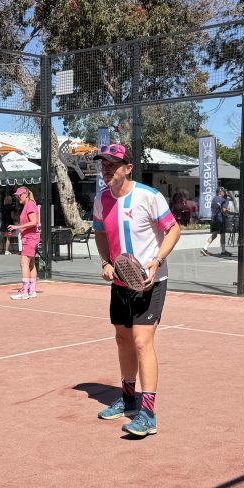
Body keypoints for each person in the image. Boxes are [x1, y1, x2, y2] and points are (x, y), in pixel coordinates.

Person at [93, 143, 180, 438]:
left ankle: (148, 413)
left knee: (142, 342)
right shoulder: (101, 199)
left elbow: (174, 229)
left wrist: (157, 261)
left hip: (150, 282)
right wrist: (105, 262)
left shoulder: (148, 196)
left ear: (128, 168)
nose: (106, 169)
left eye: (112, 164)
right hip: (119, 282)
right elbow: (100, 232)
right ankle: (128, 399)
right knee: (122, 340)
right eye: (103, 164)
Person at [8, 186, 40, 299]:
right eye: (17, 196)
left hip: (30, 238)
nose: (18, 198)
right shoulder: (29, 205)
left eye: (20, 195)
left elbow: (34, 222)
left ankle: (24, 292)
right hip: (30, 237)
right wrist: (19, 228)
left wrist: (18, 227)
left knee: (24, 263)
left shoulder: (30, 204)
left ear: (26, 194)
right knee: (31, 264)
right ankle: (32, 290)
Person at [200, 188, 232, 257]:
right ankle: (223, 251)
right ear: (220, 192)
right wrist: (229, 212)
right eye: (223, 192)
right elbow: (224, 210)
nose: (224, 193)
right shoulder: (223, 200)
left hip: (213, 219)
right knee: (222, 234)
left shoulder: (214, 199)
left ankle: (204, 248)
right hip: (220, 220)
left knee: (214, 235)